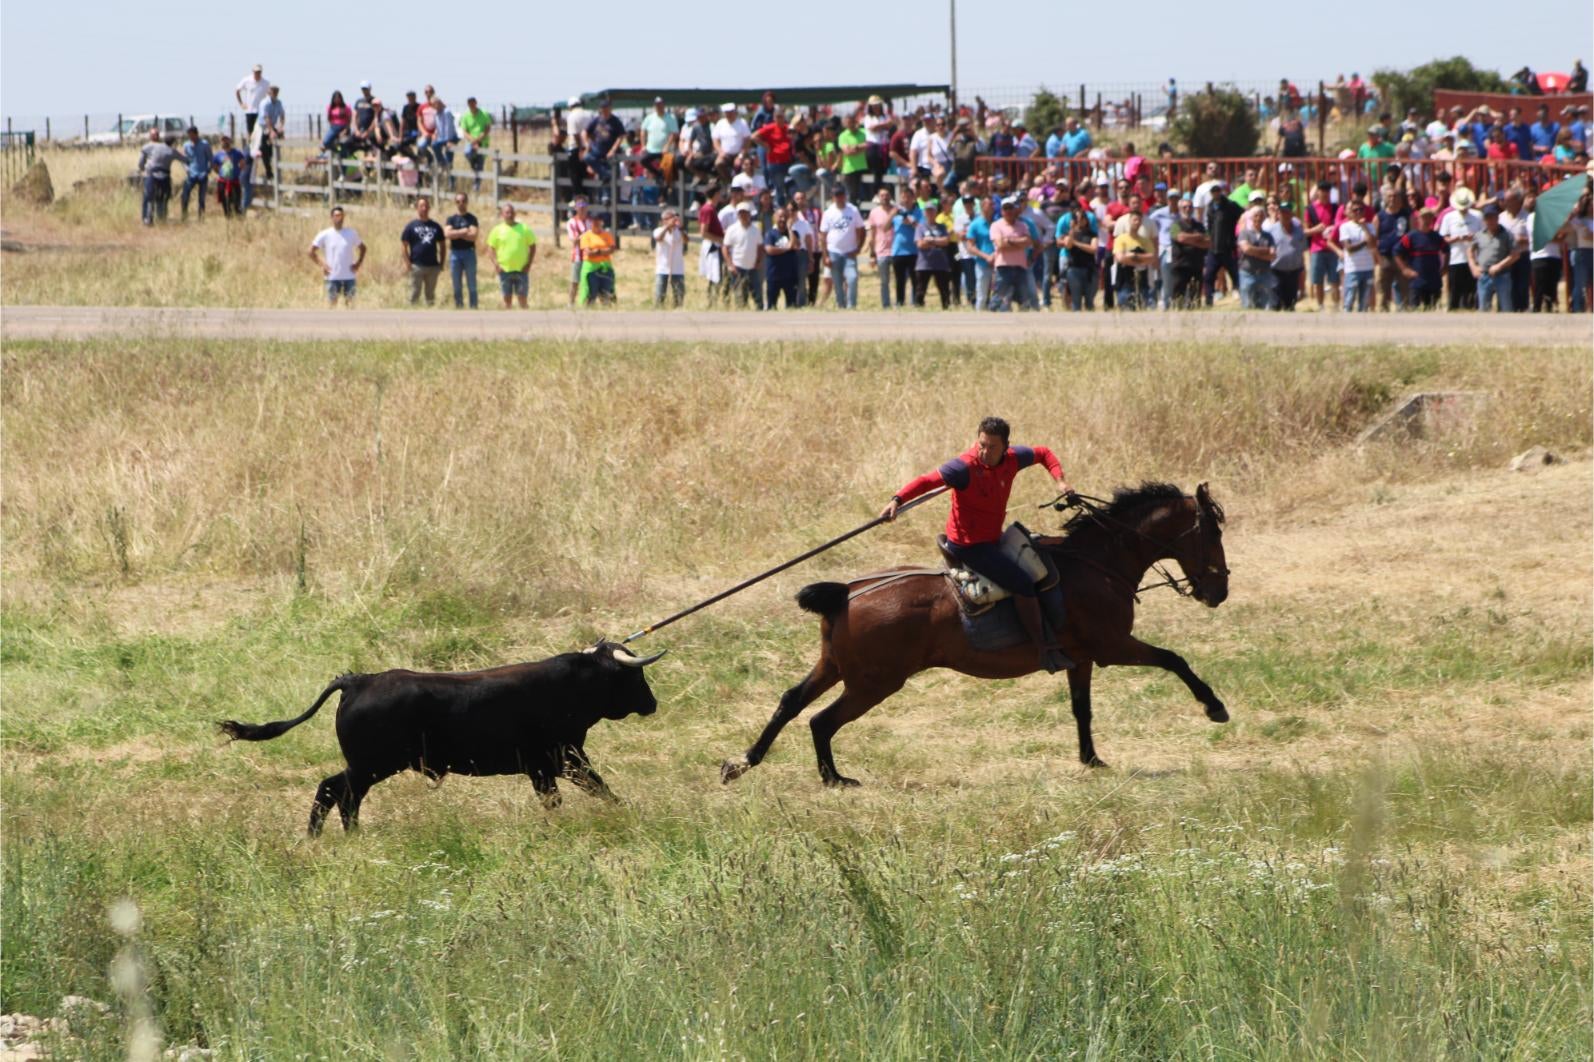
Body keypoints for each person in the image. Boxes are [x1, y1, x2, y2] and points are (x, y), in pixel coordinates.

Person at [881, 416, 1074, 673]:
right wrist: (897, 500)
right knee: (1023, 584)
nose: (984, 451)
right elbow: (926, 481)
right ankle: (1044, 648)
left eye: (992, 447)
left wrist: (1060, 481)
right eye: (981, 444)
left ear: (1006, 446)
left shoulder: (1015, 459)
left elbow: (1044, 453)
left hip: (994, 537)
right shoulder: (963, 468)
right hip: (969, 546)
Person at [990, 197, 1040, 311]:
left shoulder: (1022, 225)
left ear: (1015, 209)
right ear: (1002, 211)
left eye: (1011, 208)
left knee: (1023, 297)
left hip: (1020, 266)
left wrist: (1009, 240)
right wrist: (1018, 241)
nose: (1008, 211)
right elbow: (1000, 244)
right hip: (1003, 266)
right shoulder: (996, 225)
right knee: (999, 296)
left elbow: (1028, 242)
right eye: (1005, 208)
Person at [1469, 204, 1521, 312]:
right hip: (1484, 276)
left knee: (1506, 308)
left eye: (1493, 217)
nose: (1490, 221)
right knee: (1483, 308)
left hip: (1502, 275)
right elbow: (1470, 250)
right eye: (1488, 218)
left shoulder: (1507, 234)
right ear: (1484, 220)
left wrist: (1499, 266)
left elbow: (1515, 254)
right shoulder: (1479, 235)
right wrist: (1473, 266)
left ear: (1497, 218)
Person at [309, 206, 364, 307]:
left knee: (351, 306)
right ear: (332, 217)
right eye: (336, 215)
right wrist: (322, 265)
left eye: (341, 215)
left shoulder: (351, 233)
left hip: (349, 276)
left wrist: (358, 263)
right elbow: (311, 252)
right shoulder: (325, 234)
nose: (339, 218)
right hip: (332, 276)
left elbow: (363, 248)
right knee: (332, 306)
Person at [820, 186, 865, 309]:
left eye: (841, 195)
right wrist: (825, 256)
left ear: (845, 196)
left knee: (852, 278)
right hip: (834, 251)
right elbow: (823, 236)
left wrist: (859, 247)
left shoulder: (853, 210)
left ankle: (852, 305)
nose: (839, 198)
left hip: (849, 251)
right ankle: (841, 305)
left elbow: (862, 229)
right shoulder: (828, 213)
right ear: (832, 197)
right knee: (838, 282)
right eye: (836, 195)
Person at [486, 203, 537, 309]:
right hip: (504, 270)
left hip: (522, 270)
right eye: (507, 212)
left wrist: (529, 264)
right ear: (502, 214)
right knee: (507, 300)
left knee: (523, 299)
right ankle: (509, 323)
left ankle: (526, 322)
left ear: (515, 214)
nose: (509, 215)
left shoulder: (524, 228)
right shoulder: (497, 230)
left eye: (511, 212)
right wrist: (496, 264)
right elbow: (490, 247)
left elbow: (532, 246)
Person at [1326, 204, 1376, 312]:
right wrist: (1364, 242)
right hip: (1352, 268)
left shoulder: (1370, 226)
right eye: (1355, 210)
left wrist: (1365, 228)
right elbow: (1349, 248)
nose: (1358, 212)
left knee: (1364, 303)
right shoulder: (1344, 226)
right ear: (1350, 212)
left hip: (1367, 267)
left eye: (1361, 209)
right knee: (1349, 299)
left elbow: (1373, 244)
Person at [1438, 188, 1482, 310]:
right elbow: (1443, 237)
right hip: (1455, 258)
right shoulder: (1448, 217)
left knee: (1471, 290)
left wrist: (1474, 237)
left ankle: (1471, 308)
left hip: (1473, 258)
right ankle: (1454, 309)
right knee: (1455, 289)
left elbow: (1484, 234)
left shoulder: (1477, 216)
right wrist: (1455, 239)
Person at [400, 196, 447, 306]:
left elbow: (443, 245)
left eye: (426, 206)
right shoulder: (411, 226)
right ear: (417, 208)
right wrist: (407, 264)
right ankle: (411, 318)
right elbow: (404, 246)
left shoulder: (436, 226)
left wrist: (441, 263)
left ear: (429, 208)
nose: (424, 208)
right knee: (414, 294)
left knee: (430, 296)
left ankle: (429, 318)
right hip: (416, 266)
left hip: (432, 266)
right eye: (421, 206)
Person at [1396, 208, 1446, 309]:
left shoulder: (1437, 237)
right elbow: (1397, 252)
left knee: (1432, 310)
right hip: (1417, 281)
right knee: (1414, 310)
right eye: (1424, 217)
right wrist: (1404, 269)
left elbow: (1446, 250)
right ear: (1418, 219)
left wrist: (1445, 267)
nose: (1426, 220)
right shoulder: (1411, 237)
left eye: (1429, 217)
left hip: (1434, 281)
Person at [1203, 180, 1242, 305]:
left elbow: (1243, 215)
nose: (1216, 193)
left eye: (1218, 190)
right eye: (1213, 191)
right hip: (1214, 248)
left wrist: (1236, 235)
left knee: (1236, 276)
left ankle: (1243, 299)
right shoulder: (1209, 207)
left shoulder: (1230, 205)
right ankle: (1209, 301)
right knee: (1209, 276)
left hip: (1228, 247)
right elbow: (1209, 227)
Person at [1167, 195, 1209, 308]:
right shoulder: (1175, 225)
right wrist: (1198, 238)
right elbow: (1179, 237)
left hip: (1196, 265)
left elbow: (1208, 242)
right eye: (1185, 207)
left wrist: (1188, 239)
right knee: (1178, 298)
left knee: (1195, 299)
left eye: (1190, 207)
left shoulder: (1199, 225)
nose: (1188, 209)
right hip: (1180, 266)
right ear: (1180, 209)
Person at [1264, 200, 1306, 311]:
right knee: (1276, 303)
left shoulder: (1299, 230)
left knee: (1290, 303)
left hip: (1293, 271)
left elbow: (1302, 249)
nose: (1285, 215)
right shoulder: (1271, 230)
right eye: (1282, 213)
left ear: (1292, 214)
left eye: (1287, 212)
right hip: (1276, 270)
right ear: (1278, 214)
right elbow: (1267, 248)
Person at [1375, 188, 1412, 311]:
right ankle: (1382, 312)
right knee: (1383, 290)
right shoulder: (1379, 217)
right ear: (1385, 199)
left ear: (1401, 199)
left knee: (1404, 289)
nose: (1392, 199)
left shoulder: (1407, 215)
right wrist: (1378, 259)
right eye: (1390, 196)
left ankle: (1404, 312)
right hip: (1385, 257)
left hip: (1402, 258)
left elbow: (1412, 234)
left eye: (1395, 196)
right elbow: (1374, 239)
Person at [912, 198, 954, 308]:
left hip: (940, 264)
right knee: (921, 289)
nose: (930, 213)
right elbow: (920, 244)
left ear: (936, 212)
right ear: (924, 212)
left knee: (944, 289)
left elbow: (946, 241)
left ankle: (946, 308)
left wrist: (931, 240)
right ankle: (919, 308)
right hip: (924, 264)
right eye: (927, 210)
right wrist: (937, 242)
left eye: (932, 210)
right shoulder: (920, 227)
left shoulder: (942, 227)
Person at [1114, 206, 1157, 310]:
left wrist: (1132, 256)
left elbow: (1152, 258)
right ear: (1129, 221)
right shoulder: (1121, 239)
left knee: (1142, 309)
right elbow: (1120, 258)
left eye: (1139, 220)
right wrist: (1141, 260)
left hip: (1142, 282)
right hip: (1124, 282)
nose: (1137, 222)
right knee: (1125, 309)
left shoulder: (1145, 241)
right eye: (1134, 220)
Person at [442, 192, 480, 310]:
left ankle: (473, 307)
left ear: (467, 202)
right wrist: (463, 231)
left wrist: (456, 234)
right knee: (456, 283)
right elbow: (447, 234)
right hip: (455, 254)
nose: (461, 204)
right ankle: (459, 306)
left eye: (463, 201)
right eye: (458, 201)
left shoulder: (472, 218)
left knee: (472, 283)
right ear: (455, 203)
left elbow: (473, 236)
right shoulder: (451, 219)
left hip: (469, 253)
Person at [723, 201, 765, 309]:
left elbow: (760, 247)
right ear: (737, 215)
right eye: (741, 213)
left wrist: (759, 261)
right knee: (740, 295)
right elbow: (725, 248)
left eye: (745, 213)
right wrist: (730, 264)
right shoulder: (732, 230)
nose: (743, 215)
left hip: (752, 267)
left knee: (757, 294)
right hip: (738, 266)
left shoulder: (756, 230)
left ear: (749, 214)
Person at [763, 206, 803, 309]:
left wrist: (790, 229)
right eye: (780, 216)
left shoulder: (794, 233)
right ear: (775, 217)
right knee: (771, 306)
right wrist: (787, 249)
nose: (783, 219)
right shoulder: (770, 234)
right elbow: (769, 250)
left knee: (792, 305)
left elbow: (796, 246)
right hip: (774, 275)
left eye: (785, 216)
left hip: (790, 275)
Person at [136, 129, 179, 226]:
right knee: (149, 197)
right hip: (150, 175)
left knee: (161, 198)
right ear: (150, 136)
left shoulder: (163, 147)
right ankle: (147, 219)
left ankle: (161, 219)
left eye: (157, 134)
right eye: (154, 134)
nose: (155, 136)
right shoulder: (146, 147)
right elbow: (141, 162)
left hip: (163, 175)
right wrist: (143, 169)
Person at [652, 207, 687, 308]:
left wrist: (680, 228)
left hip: (678, 269)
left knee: (679, 296)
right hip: (662, 269)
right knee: (659, 295)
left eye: (673, 218)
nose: (673, 220)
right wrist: (667, 227)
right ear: (664, 220)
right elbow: (658, 238)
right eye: (670, 218)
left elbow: (686, 240)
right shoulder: (658, 230)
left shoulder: (679, 232)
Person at [578, 213, 616, 305]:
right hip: (591, 268)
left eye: (598, 220)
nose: (596, 223)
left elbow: (612, 249)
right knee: (591, 291)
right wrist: (602, 251)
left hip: (605, 267)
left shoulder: (607, 235)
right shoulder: (586, 236)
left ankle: (606, 309)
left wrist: (597, 251)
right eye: (594, 221)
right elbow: (589, 253)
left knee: (606, 291)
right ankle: (587, 309)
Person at [458, 98, 493, 192]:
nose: (471, 105)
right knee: (468, 153)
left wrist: (478, 141)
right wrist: (473, 141)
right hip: (471, 142)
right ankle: (474, 168)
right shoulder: (465, 116)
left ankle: (476, 188)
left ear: (476, 103)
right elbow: (464, 132)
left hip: (482, 142)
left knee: (480, 165)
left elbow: (487, 128)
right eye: (469, 104)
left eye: (473, 103)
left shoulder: (484, 114)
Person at [712, 102, 751, 185]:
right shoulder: (720, 123)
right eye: (726, 112)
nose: (728, 114)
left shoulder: (742, 123)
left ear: (734, 112)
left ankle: (739, 185)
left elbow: (747, 140)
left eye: (730, 112)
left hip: (739, 154)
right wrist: (720, 151)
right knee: (718, 163)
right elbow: (715, 139)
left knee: (742, 165)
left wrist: (741, 155)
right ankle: (729, 183)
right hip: (725, 154)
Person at [178, 127, 212, 221]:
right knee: (184, 195)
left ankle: (201, 218)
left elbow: (210, 159)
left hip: (202, 174)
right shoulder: (186, 145)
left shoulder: (205, 144)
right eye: (189, 135)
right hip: (191, 174)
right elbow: (184, 160)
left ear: (196, 134)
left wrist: (208, 170)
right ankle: (184, 216)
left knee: (201, 198)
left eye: (192, 135)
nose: (191, 137)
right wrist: (187, 169)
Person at [836, 111, 870, 204]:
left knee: (866, 195)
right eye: (848, 122)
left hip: (863, 167)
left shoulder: (864, 132)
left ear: (855, 121)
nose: (850, 124)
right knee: (852, 195)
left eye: (851, 122)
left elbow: (869, 145)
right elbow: (847, 152)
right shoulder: (842, 136)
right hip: (850, 170)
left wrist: (855, 147)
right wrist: (861, 147)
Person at [211, 135, 245, 218]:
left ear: (230, 141)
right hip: (222, 181)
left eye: (226, 140)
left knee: (236, 200)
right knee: (224, 200)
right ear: (221, 142)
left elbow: (242, 163)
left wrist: (238, 171)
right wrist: (220, 173)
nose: (225, 142)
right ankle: (228, 216)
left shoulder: (237, 153)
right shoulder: (218, 155)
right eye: (223, 141)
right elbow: (214, 166)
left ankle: (238, 216)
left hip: (234, 180)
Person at [566, 198, 591, 306]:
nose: (582, 208)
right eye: (579, 205)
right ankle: (571, 302)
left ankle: (588, 302)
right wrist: (586, 235)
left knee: (589, 281)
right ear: (576, 207)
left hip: (590, 256)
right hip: (577, 256)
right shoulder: (572, 222)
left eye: (584, 205)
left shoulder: (590, 221)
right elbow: (574, 240)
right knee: (575, 281)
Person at [235, 64, 270, 137]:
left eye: (259, 72)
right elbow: (237, 90)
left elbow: (269, 95)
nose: (257, 73)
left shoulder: (266, 82)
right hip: (250, 111)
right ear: (253, 72)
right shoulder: (247, 80)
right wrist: (241, 103)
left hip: (261, 111)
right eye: (256, 72)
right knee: (250, 132)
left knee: (261, 132)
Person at [258, 85, 285, 180]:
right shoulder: (264, 103)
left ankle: (275, 172)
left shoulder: (279, 103)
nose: (275, 93)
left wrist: (281, 127)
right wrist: (271, 131)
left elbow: (282, 115)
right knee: (263, 149)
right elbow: (266, 118)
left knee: (273, 150)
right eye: (273, 91)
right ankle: (268, 171)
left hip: (272, 126)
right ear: (269, 92)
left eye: (276, 91)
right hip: (263, 127)